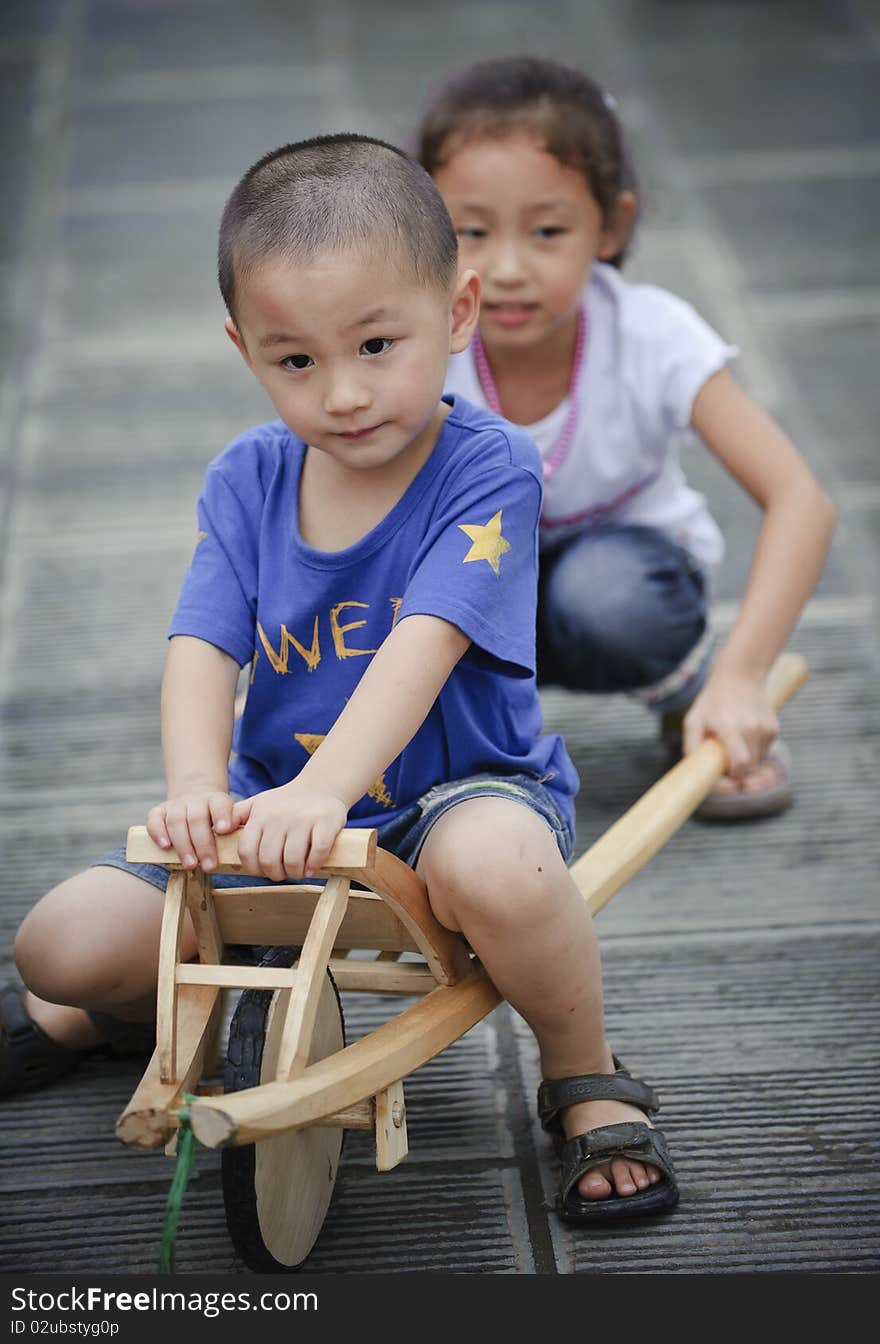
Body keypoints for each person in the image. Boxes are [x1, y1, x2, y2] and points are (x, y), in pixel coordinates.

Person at [0, 134, 679, 1223]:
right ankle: (116, 1012)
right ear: (246, 351)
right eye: (297, 360)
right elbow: (200, 644)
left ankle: (583, 1071)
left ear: (455, 317)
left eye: (375, 344)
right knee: (57, 946)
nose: (345, 392)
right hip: (274, 810)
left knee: (501, 868)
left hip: (449, 797)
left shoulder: (486, 467)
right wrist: (195, 787)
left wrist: (331, 794)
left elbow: (427, 639)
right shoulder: (248, 476)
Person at [418, 57, 836, 818]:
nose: (507, 268)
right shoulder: (415, 344)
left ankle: (693, 696)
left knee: (607, 596)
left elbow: (800, 499)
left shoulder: (650, 334)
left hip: (615, 587)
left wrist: (743, 676)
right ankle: (445, 739)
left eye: (547, 230)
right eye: (470, 231)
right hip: (466, 590)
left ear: (610, 225)